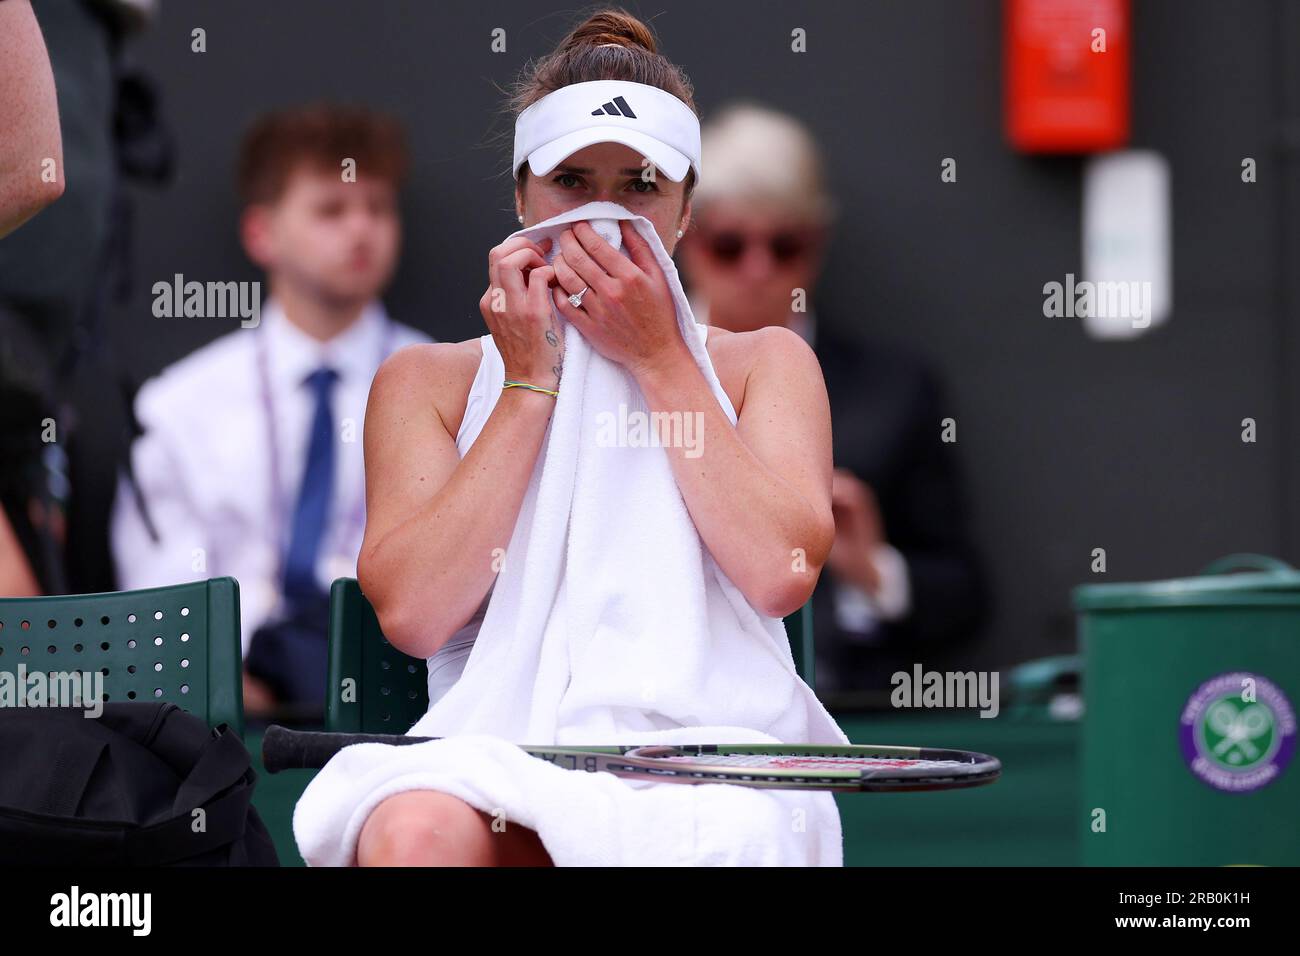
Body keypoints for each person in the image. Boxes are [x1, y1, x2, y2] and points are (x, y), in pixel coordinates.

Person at [345, 9, 842, 867]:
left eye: (640, 185)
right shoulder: (424, 382)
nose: (604, 216)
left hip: (716, 761)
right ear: (519, 197)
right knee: (410, 831)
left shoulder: (769, 364)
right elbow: (416, 614)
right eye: (572, 181)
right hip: (497, 753)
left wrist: (658, 360)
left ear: (685, 211)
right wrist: (529, 385)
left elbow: (781, 573)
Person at [110, 104, 429, 718]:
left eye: (379, 208)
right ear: (261, 233)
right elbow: (159, 604)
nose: (361, 230)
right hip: (221, 719)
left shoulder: (459, 386)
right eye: (331, 211)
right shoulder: (180, 404)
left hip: (407, 704)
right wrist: (235, 684)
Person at [677, 103, 988, 697]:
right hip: (662, 711)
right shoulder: (625, 375)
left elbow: (965, 596)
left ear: (817, 243)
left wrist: (873, 570)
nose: (758, 268)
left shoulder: (894, 388)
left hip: (842, 717)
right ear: (687, 239)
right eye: (730, 244)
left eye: (785, 244)